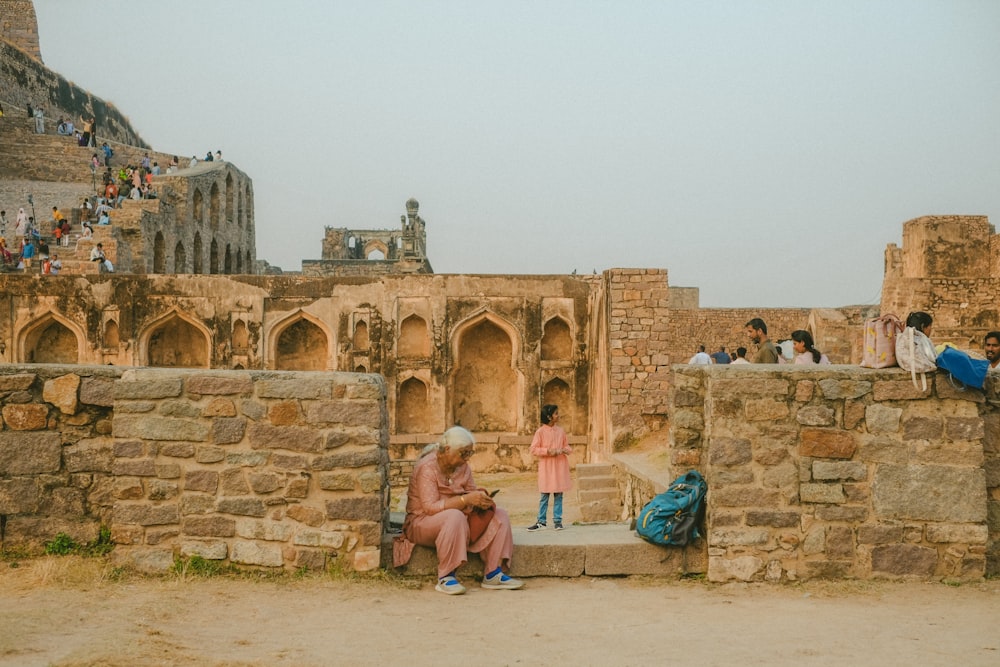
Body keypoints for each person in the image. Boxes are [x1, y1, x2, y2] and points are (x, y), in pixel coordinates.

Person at [398, 426, 523, 595]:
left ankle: (493, 573)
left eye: (469, 454)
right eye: (464, 453)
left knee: (500, 514)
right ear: (448, 450)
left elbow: (471, 491)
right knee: (454, 516)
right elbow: (430, 507)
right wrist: (464, 500)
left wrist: (480, 499)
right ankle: (446, 576)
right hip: (422, 522)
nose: (467, 458)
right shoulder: (427, 467)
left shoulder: (462, 467)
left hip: (459, 518)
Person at [526, 405, 572, 532]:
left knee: (558, 494)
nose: (558, 415)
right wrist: (548, 451)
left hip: (559, 466)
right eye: (556, 413)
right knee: (544, 495)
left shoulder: (561, 431)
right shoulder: (540, 432)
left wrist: (565, 450)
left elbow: (567, 446)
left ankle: (558, 521)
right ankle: (541, 521)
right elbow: (533, 449)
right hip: (547, 467)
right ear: (549, 416)